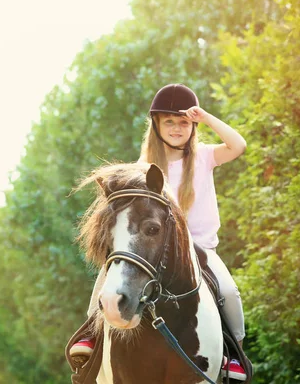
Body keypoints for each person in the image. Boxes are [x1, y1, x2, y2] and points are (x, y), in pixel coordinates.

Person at [70, 83, 248, 381]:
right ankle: (93, 335)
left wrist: (205, 118)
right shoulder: (143, 168)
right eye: (169, 122)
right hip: (155, 248)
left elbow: (238, 145)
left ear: (192, 126)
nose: (176, 128)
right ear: (156, 125)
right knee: (107, 278)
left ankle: (234, 354)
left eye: (183, 123)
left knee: (228, 291)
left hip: (200, 248)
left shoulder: (204, 157)